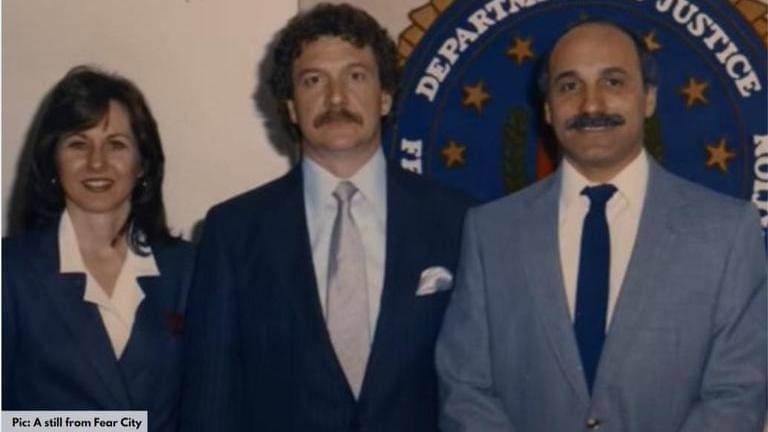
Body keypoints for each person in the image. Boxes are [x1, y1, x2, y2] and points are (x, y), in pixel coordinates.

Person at [436, 19, 767, 432]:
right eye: (569, 86)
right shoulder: (490, 232)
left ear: (648, 98)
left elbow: (737, 394)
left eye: (613, 82)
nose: (591, 105)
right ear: (548, 109)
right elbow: (465, 388)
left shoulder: (727, 232)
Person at [181, 3, 473, 431]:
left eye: (356, 76)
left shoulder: (461, 222)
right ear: (291, 107)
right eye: (313, 80)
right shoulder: (233, 232)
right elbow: (209, 405)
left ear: (385, 97)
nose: (336, 98)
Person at [3, 66, 194, 432]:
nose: (96, 162)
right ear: (53, 160)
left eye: (116, 144)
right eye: (78, 144)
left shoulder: (190, 270)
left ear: (143, 164)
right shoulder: (9, 271)